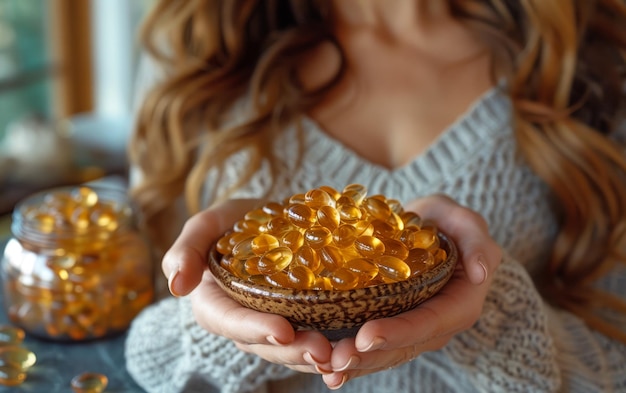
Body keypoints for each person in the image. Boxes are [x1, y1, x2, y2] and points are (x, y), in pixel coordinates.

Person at [124, 0, 626, 392]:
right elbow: (135, 349)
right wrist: (234, 320)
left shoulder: (589, 60)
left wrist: (491, 311)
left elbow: (613, 368)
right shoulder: (196, 47)